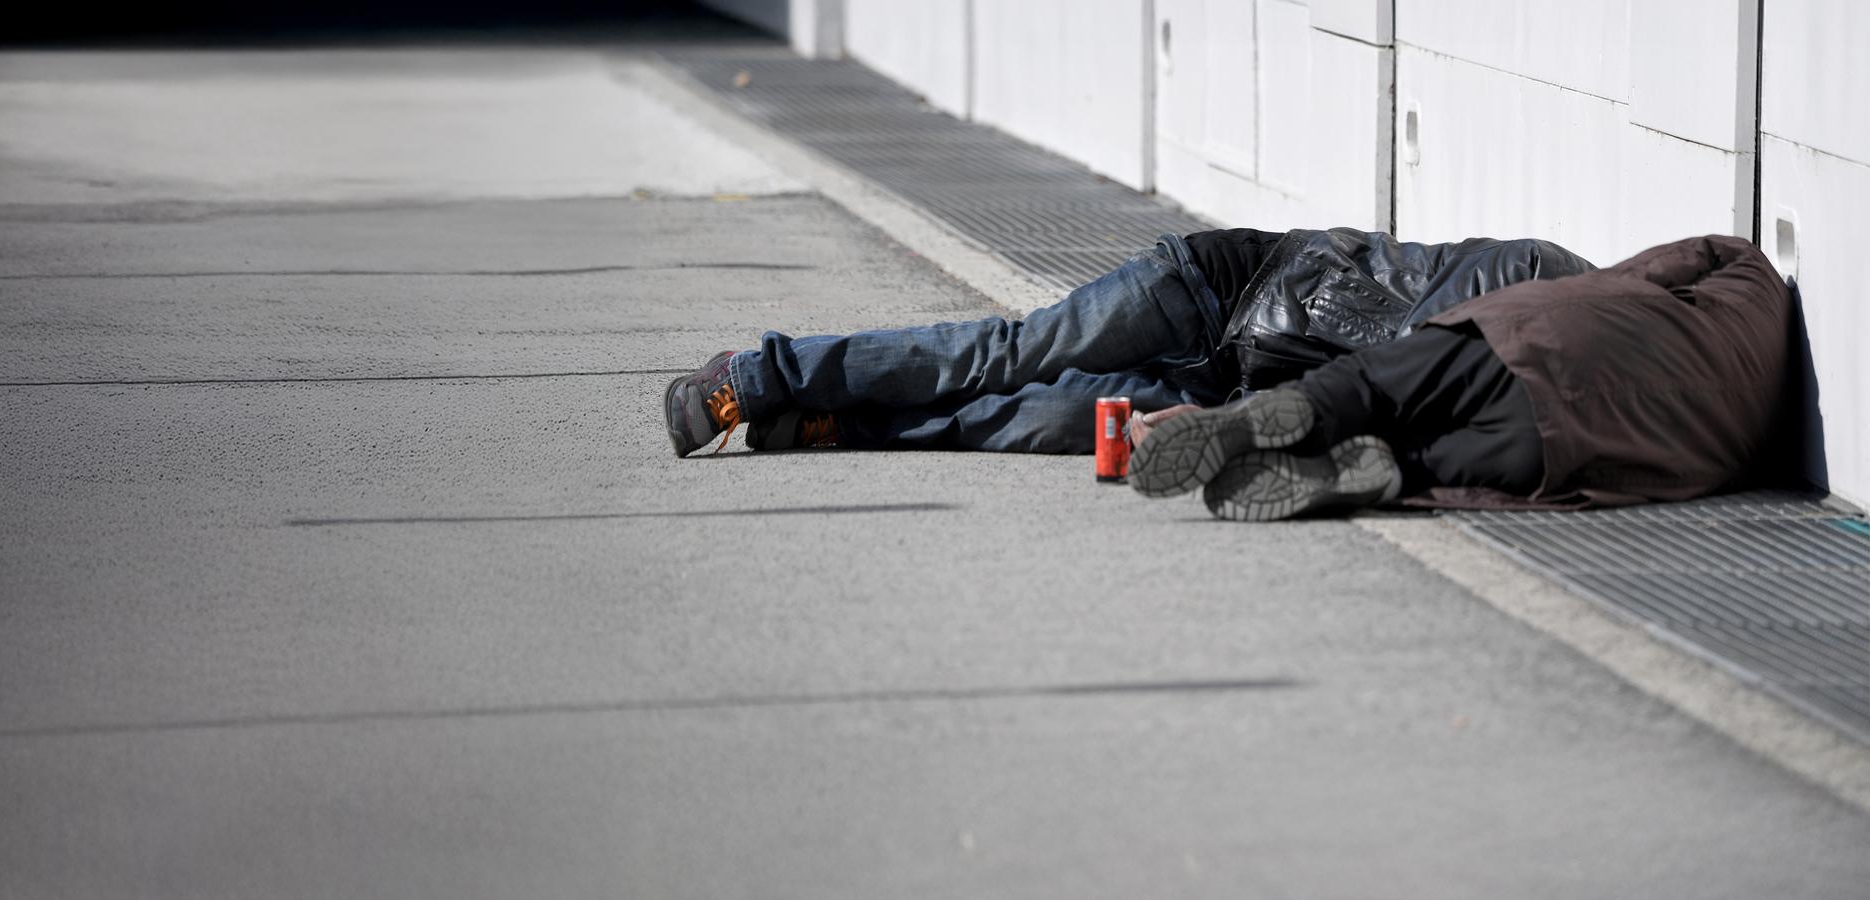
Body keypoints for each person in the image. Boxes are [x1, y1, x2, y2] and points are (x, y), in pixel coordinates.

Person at [662, 227, 1593, 465]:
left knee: (1042, 420)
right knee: (1013, 353)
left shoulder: (1518, 389)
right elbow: (1372, 324)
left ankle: (833, 424)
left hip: (1235, 383)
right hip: (1215, 285)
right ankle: (758, 377)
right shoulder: (1537, 274)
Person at [1125, 233, 1796, 518]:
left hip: (1546, 339)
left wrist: (1603, 293)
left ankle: (1283, 413)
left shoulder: (1748, 279)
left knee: (1373, 386)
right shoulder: (1742, 452)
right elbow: (1635, 487)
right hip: (1573, 442)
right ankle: (1389, 473)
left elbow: (1654, 270)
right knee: (1430, 462)